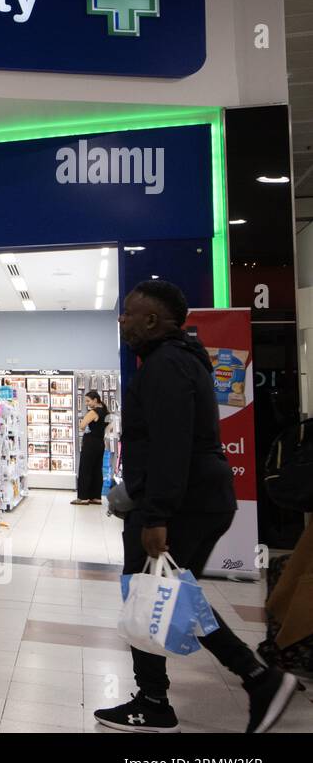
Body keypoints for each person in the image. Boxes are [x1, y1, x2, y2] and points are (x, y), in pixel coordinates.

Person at [94, 280, 296, 734]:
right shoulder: (186, 361)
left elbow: (171, 445)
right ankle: (252, 679)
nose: (122, 320)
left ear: (152, 320)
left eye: (128, 312)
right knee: (174, 593)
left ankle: (163, 699)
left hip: (180, 503)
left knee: (147, 594)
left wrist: (157, 514)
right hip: (203, 498)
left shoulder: (165, 366)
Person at [73, 390, 109, 506]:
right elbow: (109, 428)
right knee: (97, 469)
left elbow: (82, 425)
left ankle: (83, 497)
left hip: (90, 442)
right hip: (100, 442)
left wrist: (86, 423)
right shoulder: (105, 411)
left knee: (85, 468)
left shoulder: (94, 412)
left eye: (88, 401)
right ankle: (96, 497)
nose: (86, 403)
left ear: (95, 400)